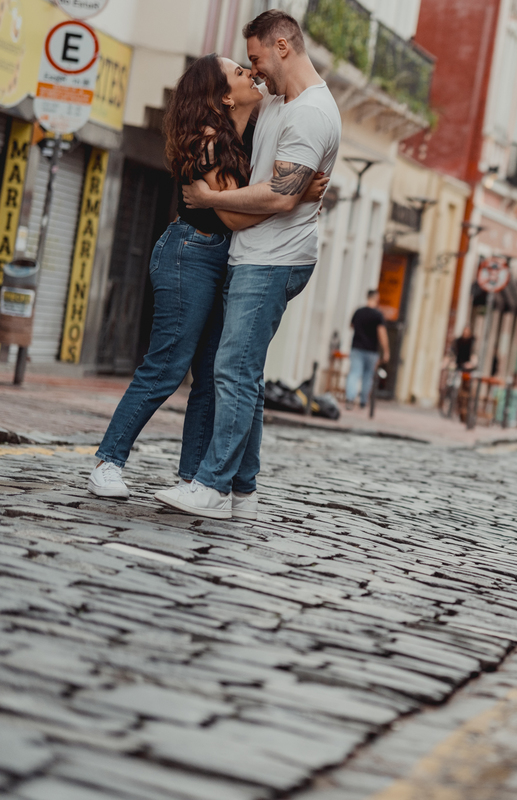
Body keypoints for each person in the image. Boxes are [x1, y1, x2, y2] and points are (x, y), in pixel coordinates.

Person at [86, 54, 325, 500]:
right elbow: (234, 220)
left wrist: (280, 193)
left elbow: (250, 201)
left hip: (227, 260)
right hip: (191, 253)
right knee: (166, 367)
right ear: (222, 95)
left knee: (212, 376)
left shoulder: (249, 136)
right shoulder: (209, 142)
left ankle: (193, 479)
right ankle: (107, 461)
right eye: (239, 72)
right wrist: (288, 198)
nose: (251, 73)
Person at [157, 9, 341, 519]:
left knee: (233, 372)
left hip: (272, 260)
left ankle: (211, 488)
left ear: (283, 46)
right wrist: (300, 187)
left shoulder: (309, 113)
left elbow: (279, 198)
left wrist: (207, 197)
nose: (254, 70)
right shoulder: (283, 102)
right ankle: (243, 488)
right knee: (247, 375)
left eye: (256, 58)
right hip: (258, 256)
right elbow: (273, 173)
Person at [345, 290, 390, 409]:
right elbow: (382, 334)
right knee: (368, 376)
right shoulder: (378, 315)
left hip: (357, 348)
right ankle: (363, 401)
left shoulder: (358, 312)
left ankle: (350, 398)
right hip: (371, 350)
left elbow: (351, 326)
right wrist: (386, 351)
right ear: (377, 298)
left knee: (354, 374)